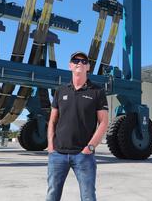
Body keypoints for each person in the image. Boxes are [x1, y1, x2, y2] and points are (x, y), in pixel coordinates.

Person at [46, 51, 109, 201]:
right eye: (75, 60)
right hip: (58, 154)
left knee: (88, 196)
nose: (79, 63)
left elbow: (104, 122)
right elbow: (52, 120)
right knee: (52, 195)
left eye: (83, 61)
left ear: (88, 67)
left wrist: (90, 147)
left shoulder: (97, 92)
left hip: (83, 155)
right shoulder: (61, 91)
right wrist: (50, 145)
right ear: (70, 66)